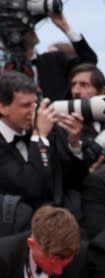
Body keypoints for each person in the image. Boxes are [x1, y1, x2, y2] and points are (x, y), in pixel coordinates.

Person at [0, 71, 86, 212]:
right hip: (19, 226)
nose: (34, 111)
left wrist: (74, 143)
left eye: (35, 104)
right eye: (25, 105)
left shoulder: (46, 131)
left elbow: (74, 180)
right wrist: (39, 137)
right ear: (3, 107)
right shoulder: (41, 132)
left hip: (60, 216)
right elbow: (31, 187)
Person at [3, 9, 98, 101]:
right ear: (13, 37)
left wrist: (65, 26)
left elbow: (89, 60)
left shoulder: (54, 60)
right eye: (25, 30)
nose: (33, 30)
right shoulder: (7, 70)